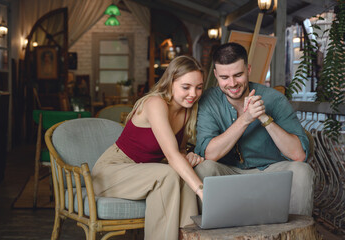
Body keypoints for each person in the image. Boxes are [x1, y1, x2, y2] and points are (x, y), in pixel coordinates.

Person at [91, 55, 205, 240]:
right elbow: (171, 154)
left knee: (184, 176)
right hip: (112, 170)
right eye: (186, 87)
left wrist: (187, 156)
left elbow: (177, 151)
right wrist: (202, 191)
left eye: (198, 87)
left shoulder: (187, 111)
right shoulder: (155, 103)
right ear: (170, 83)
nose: (193, 93)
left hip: (144, 173)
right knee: (168, 174)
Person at [194, 42, 315, 216]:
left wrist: (264, 118)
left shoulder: (274, 99)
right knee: (203, 169)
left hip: (269, 171)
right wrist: (246, 118)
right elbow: (210, 154)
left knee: (302, 172)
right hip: (228, 173)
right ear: (215, 75)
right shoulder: (209, 100)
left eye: (238, 75)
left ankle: (296, 233)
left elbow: (299, 155)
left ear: (248, 70)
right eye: (224, 77)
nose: (232, 83)